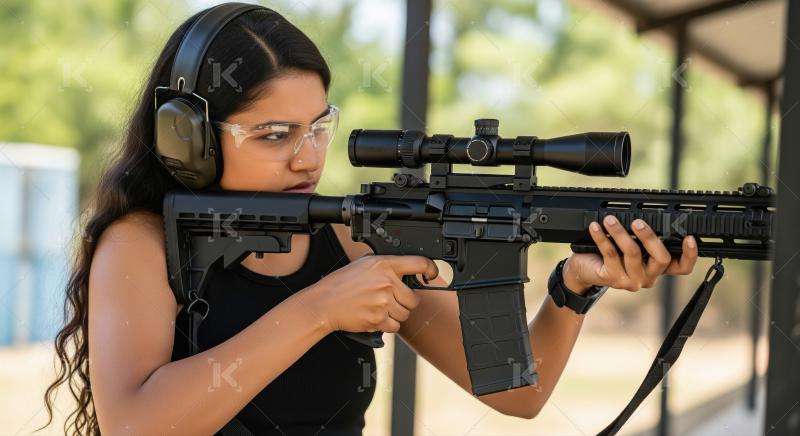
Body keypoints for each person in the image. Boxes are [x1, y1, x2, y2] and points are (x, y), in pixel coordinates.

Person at [40, 4, 699, 435]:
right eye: (274, 134)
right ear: (191, 138)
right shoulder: (142, 244)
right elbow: (134, 426)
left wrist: (573, 287)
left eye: (319, 127)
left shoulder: (357, 235)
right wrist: (319, 310)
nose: (308, 156)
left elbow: (515, 395)